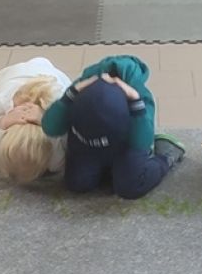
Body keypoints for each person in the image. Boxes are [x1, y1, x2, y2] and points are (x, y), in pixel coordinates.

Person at [41, 55, 186, 200]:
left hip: (124, 147)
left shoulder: (138, 97)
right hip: (87, 149)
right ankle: (109, 170)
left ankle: (166, 155)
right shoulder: (80, 91)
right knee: (77, 183)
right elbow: (50, 127)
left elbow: (142, 143)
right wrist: (69, 96)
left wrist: (136, 102)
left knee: (131, 186)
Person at [0, 57, 71, 183]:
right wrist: (2, 123)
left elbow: (59, 163)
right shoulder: (0, 102)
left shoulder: (59, 107)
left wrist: (47, 124)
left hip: (54, 79)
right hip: (12, 77)